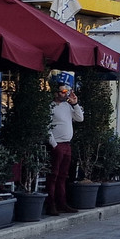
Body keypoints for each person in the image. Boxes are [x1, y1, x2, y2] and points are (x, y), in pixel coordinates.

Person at [46, 81, 84, 215]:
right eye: (63, 92)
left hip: (67, 144)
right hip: (57, 145)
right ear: (55, 93)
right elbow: (46, 127)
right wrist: (54, 145)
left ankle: (62, 203)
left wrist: (75, 104)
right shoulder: (50, 107)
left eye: (66, 91)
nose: (65, 94)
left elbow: (80, 118)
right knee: (53, 176)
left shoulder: (67, 106)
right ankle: (51, 204)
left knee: (63, 176)